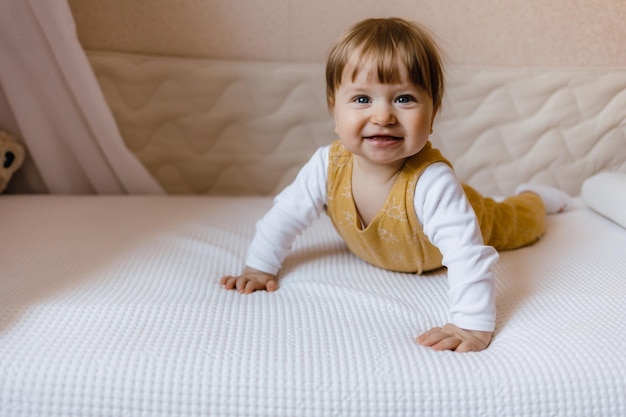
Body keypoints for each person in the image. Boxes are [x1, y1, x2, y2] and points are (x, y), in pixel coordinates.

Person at [220, 17, 570, 352]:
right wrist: (259, 266)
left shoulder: (432, 182)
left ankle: (536, 196)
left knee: (522, 219)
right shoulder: (326, 166)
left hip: (480, 216)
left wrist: (470, 325)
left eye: (404, 98)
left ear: (432, 115)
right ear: (335, 112)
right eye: (362, 99)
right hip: (398, 245)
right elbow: (285, 216)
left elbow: (466, 256)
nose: (383, 116)